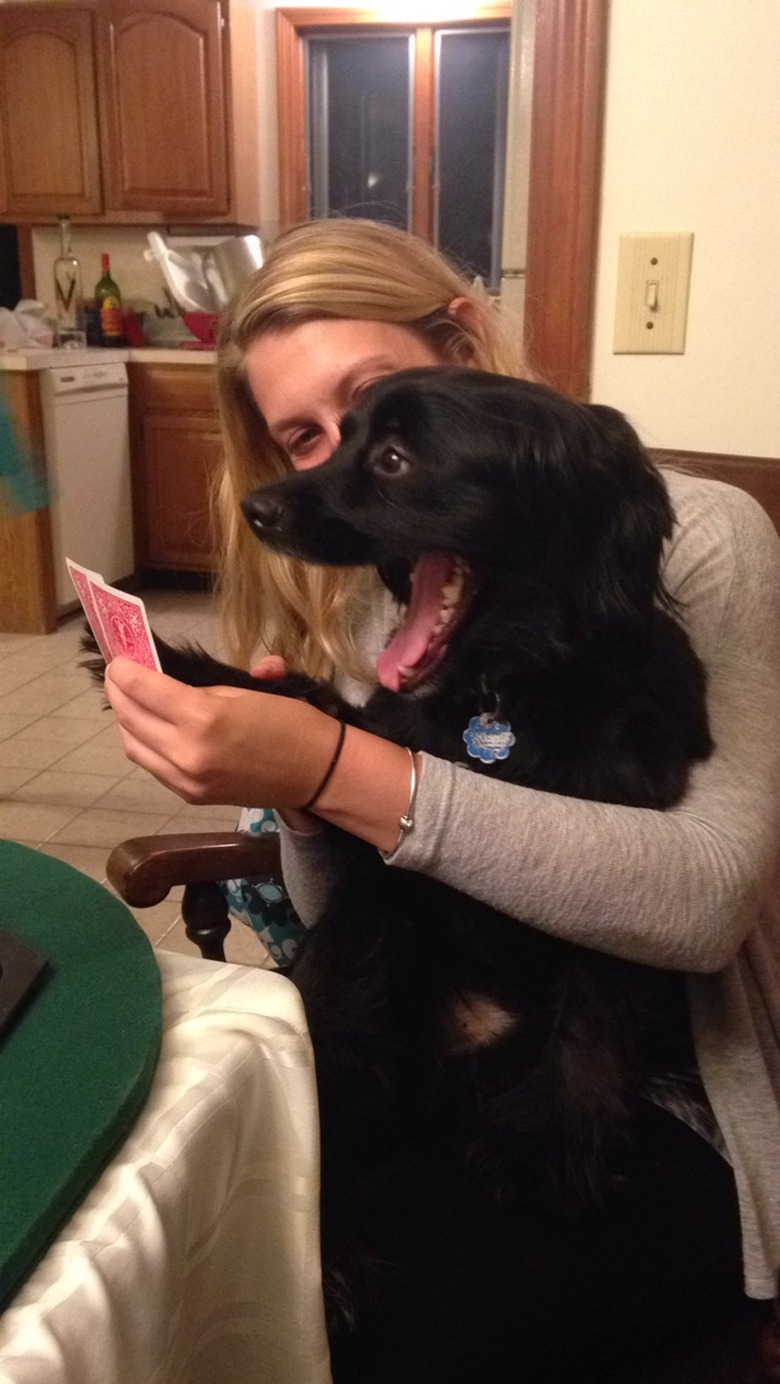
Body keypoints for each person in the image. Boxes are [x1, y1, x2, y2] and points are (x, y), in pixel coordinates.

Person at [105, 218, 780, 1382]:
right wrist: (307, 797)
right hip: (421, 1034)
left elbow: (703, 901)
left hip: (648, 1087)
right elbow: (355, 904)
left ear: (460, 342)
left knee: (380, 1320)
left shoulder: (700, 537)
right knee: (182, 1228)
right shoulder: (403, 584)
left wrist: (335, 765)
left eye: (372, 416)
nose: (334, 471)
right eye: (308, 440)